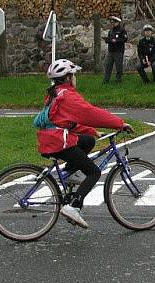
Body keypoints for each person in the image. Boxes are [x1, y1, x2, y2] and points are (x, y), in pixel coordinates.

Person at [36, 59, 132, 228]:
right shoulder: (67, 95)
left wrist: (92, 131)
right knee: (94, 172)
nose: (75, 78)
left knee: (88, 140)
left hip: (51, 138)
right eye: (73, 75)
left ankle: (70, 172)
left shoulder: (56, 93)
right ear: (67, 78)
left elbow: (64, 120)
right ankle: (73, 206)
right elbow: (90, 112)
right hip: (59, 141)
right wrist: (119, 123)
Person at [103, 16, 128, 83]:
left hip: (118, 51)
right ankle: (106, 79)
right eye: (111, 22)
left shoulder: (122, 30)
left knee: (118, 66)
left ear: (118, 22)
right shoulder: (111, 30)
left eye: (114, 22)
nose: (112, 24)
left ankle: (118, 79)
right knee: (108, 66)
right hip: (111, 51)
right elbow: (109, 38)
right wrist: (107, 40)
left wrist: (116, 40)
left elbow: (125, 39)